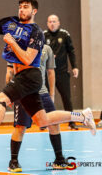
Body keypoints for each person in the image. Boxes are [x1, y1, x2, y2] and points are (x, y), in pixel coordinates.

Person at [0, 0, 96, 153]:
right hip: (20, 77)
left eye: (26, 7)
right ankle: (83, 116)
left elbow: (28, 59)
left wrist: (12, 43)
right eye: (20, 7)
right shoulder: (11, 23)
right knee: (42, 119)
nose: (22, 9)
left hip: (30, 76)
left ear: (34, 11)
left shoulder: (36, 32)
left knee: (0, 99)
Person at [7, 44, 68, 172]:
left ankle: (59, 159)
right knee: (20, 127)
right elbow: (9, 73)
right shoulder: (16, 47)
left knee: (54, 124)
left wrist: (52, 94)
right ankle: (13, 162)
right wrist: (9, 95)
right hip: (22, 92)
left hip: (42, 93)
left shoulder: (46, 49)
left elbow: (51, 72)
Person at [44, 14, 79, 130]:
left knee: (66, 97)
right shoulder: (44, 35)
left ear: (58, 23)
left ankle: (72, 122)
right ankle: (45, 122)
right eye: (50, 21)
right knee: (46, 97)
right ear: (47, 23)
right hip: (47, 73)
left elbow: (71, 51)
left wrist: (75, 67)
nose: (52, 23)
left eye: (54, 21)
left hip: (62, 72)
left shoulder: (64, 34)